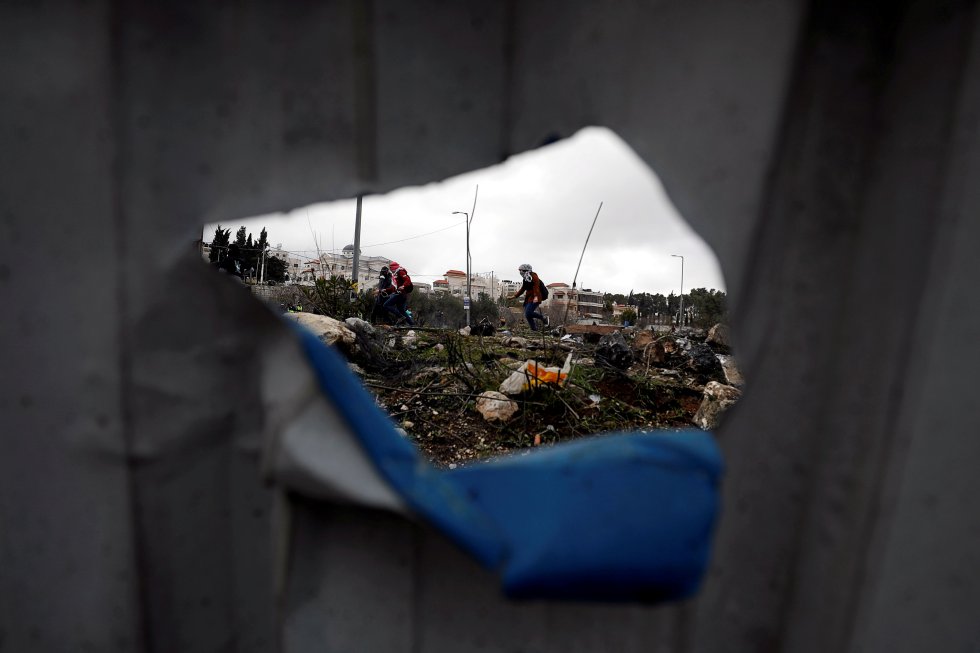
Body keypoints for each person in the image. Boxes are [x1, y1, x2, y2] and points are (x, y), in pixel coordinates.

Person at [511, 263, 547, 331]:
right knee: (527, 315)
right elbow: (523, 289)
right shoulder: (525, 279)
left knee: (528, 312)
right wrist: (515, 296)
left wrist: (536, 297)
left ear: (526, 270)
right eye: (520, 270)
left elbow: (536, 287)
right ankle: (534, 330)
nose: (520, 272)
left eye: (521, 270)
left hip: (536, 297)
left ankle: (543, 317)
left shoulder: (534, 276)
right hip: (529, 298)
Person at [383, 261, 415, 326]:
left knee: (386, 305)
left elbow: (407, 280)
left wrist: (403, 286)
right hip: (402, 295)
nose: (390, 270)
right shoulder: (395, 275)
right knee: (402, 311)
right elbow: (394, 288)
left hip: (400, 294)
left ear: (393, 268)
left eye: (391, 268)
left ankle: (400, 317)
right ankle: (412, 324)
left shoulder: (400, 271)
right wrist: (385, 290)